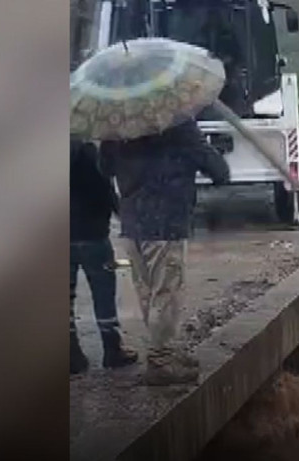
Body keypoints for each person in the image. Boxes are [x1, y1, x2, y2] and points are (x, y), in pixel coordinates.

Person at [100, 119, 230, 386]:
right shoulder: (178, 123)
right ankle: (161, 360)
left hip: (132, 223)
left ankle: (164, 350)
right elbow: (219, 171)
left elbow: (105, 168)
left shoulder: (116, 124)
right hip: (165, 222)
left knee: (148, 293)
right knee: (166, 293)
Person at [70, 139, 138, 375]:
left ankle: (72, 355)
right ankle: (112, 350)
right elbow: (104, 190)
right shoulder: (88, 151)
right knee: (104, 294)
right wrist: (123, 215)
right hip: (94, 236)